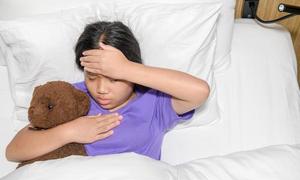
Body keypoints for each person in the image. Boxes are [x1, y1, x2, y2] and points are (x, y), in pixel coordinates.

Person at [6, 21, 210, 163]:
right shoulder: (72, 97)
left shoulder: (154, 101)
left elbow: (199, 92)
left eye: (114, 79)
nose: (101, 89)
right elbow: (14, 151)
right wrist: (71, 131)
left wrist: (127, 69)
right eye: (92, 77)